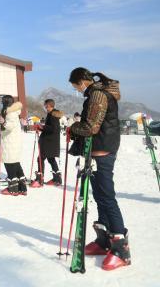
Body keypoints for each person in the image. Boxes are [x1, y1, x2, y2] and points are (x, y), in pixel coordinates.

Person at [68, 67, 130, 270]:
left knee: (106, 197)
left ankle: (121, 247)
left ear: (81, 81)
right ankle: (104, 239)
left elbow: (91, 127)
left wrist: (72, 127)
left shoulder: (97, 94)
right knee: (100, 196)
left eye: (76, 86)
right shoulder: (97, 93)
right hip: (98, 150)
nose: (77, 90)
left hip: (102, 150)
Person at [0, 95, 27, 196]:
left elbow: (9, 126)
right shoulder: (14, 112)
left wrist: (3, 122)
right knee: (16, 164)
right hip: (13, 141)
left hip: (10, 142)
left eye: (2, 101)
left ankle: (13, 189)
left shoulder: (10, 113)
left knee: (10, 164)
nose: (1, 103)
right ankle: (22, 188)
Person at [31, 99, 63, 187]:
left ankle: (40, 179)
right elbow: (50, 128)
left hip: (49, 142)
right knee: (51, 159)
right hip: (51, 141)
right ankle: (57, 178)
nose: (45, 107)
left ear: (49, 105)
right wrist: (41, 128)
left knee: (40, 158)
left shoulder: (53, 115)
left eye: (46, 106)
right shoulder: (52, 114)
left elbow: (53, 128)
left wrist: (41, 126)